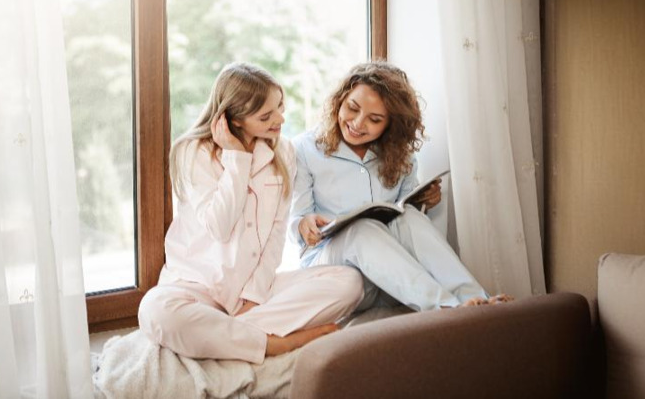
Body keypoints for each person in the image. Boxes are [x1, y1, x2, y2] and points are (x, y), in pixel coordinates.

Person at [137, 63, 363, 364]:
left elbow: (277, 233)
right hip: (196, 288)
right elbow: (219, 226)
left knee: (350, 283)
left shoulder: (283, 152)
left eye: (280, 107)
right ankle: (274, 344)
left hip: (255, 292)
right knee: (155, 311)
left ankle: (222, 337)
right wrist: (237, 158)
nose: (280, 119)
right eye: (266, 116)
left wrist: (253, 296)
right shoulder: (194, 152)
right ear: (234, 119)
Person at [290, 61, 512, 313]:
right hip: (333, 271)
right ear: (340, 100)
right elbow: (294, 219)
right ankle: (445, 308)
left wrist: (423, 201)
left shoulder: (401, 156)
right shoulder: (305, 149)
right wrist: (302, 225)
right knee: (362, 229)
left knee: (410, 219)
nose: (358, 123)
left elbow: (402, 213)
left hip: (390, 277)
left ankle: (475, 300)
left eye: (374, 119)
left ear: (389, 125)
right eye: (352, 108)